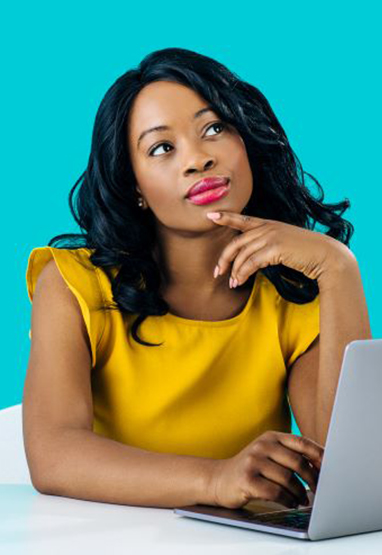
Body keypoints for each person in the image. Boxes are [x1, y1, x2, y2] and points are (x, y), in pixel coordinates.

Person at [23, 47, 360, 511]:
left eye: (214, 128)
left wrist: (339, 270)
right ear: (135, 185)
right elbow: (54, 458)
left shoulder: (289, 294)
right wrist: (215, 479)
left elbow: (347, 472)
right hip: (109, 536)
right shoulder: (74, 284)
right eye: (162, 147)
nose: (198, 158)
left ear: (247, 144)